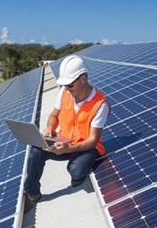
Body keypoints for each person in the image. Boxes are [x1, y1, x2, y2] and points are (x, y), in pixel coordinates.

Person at [23, 55, 111, 213]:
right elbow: (54, 116)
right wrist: (49, 128)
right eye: (65, 85)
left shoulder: (100, 105)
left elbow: (92, 140)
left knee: (76, 171)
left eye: (70, 85)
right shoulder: (65, 92)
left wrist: (68, 149)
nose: (67, 89)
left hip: (87, 147)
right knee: (36, 151)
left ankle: (84, 165)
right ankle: (32, 193)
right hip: (63, 141)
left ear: (83, 78)